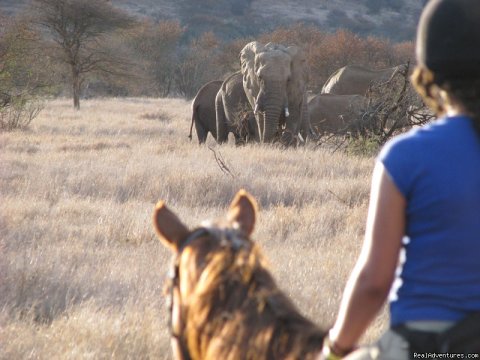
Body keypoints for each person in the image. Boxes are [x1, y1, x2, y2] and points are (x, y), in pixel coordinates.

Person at [321, 0, 480, 358]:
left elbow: (375, 282)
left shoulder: (406, 156)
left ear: (429, 71)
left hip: (425, 345)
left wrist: (335, 348)